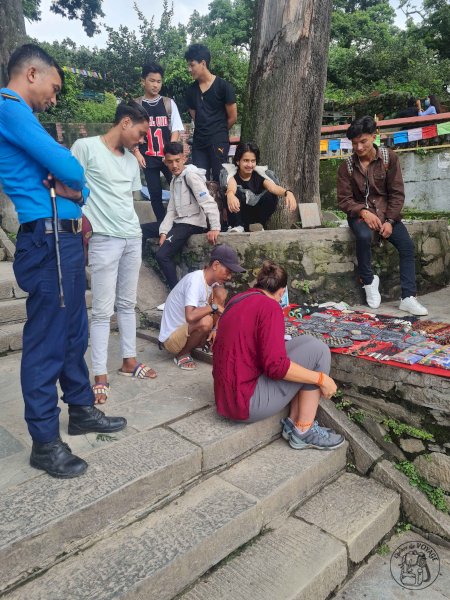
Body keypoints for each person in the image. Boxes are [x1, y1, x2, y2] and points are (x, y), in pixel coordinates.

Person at [0, 44, 126, 478]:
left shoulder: (25, 116)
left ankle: (82, 407)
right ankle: (44, 441)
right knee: (47, 339)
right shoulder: (9, 106)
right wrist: (72, 181)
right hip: (48, 240)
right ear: (30, 73)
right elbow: (70, 170)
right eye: (53, 88)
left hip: (66, 239)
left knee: (73, 331)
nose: (55, 98)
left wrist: (76, 186)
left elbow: (79, 187)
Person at [72, 101, 158, 405]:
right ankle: (99, 375)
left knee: (127, 303)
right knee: (102, 310)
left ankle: (129, 360)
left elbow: (128, 200)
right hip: (103, 239)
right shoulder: (85, 147)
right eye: (140, 132)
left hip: (131, 237)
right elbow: (72, 186)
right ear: (125, 122)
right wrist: (83, 222)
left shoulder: (132, 162)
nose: (141, 139)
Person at [212, 260, 344, 450]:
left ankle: (293, 422)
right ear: (282, 292)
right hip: (245, 402)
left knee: (309, 343)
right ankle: (304, 430)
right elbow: (275, 366)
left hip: (225, 397)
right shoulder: (270, 307)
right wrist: (321, 379)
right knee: (319, 352)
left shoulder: (238, 299)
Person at [337, 116, 428, 316]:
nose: (359, 148)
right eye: (354, 144)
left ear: (374, 136)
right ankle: (369, 282)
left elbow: (397, 194)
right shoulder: (347, 166)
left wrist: (390, 221)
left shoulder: (389, 159)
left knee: (406, 246)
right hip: (359, 214)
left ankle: (408, 297)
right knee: (362, 236)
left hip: (387, 214)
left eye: (363, 142)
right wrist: (363, 212)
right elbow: (344, 200)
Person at [159, 244, 245, 370]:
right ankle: (182, 354)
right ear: (215, 265)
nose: (229, 277)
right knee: (206, 321)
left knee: (221, 293)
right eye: (228, 271)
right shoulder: (194, 280)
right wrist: (213, 307)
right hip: (172, 339)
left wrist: (216, 329)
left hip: (187, 331)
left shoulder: (212, 283)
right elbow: (190, 316)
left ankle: (208, 340)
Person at [155, 141, 221, 290]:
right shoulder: (174, 180)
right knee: (143, 229)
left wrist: (215, 227)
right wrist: (164, 232)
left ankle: (176, 294)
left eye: (177, 161)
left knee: (162, 255)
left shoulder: (190, 176)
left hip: (193, 223)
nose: (174, 165)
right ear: (165, 162)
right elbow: (171, 209)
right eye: (170, 162)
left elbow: (207, 201)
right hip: (180, 222)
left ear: (184, 158)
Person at [133, 62, 184, 226]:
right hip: (147, 157)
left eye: (159, 81)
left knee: (178, 188)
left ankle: (181, 220)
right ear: (143, 81)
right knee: (154, 193)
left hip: (167, 157)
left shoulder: (169, 104)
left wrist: (169, 154)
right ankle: (163, 224)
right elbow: (130, 132)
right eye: (152, 80)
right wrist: (136, 152)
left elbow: (176, 130)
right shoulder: (136, 105)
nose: (156, 85)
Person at [185, 44, 237, 182]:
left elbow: (232, 117)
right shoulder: (191, 91)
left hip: (218, 141)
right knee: (200, 181)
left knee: (222, 180)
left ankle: (222, 204)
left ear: (203, 63)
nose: (189, 69)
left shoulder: (223, 87)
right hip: (199, 143)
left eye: (192, 65)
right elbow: (195, 117)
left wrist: (218, 132)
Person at [222, 141, 297, 232]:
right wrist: (230, 194)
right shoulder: (231, 173)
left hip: (255, 217)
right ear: (238, 161)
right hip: (238, 213)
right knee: (233, 193)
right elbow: (231, 186)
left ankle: (258, 225)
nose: (250, 165)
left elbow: (273, 187)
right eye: (246, 160)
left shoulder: (259, 175)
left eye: (253, 161)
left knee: (271, 195)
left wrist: (287, 193)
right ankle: (238, 225)